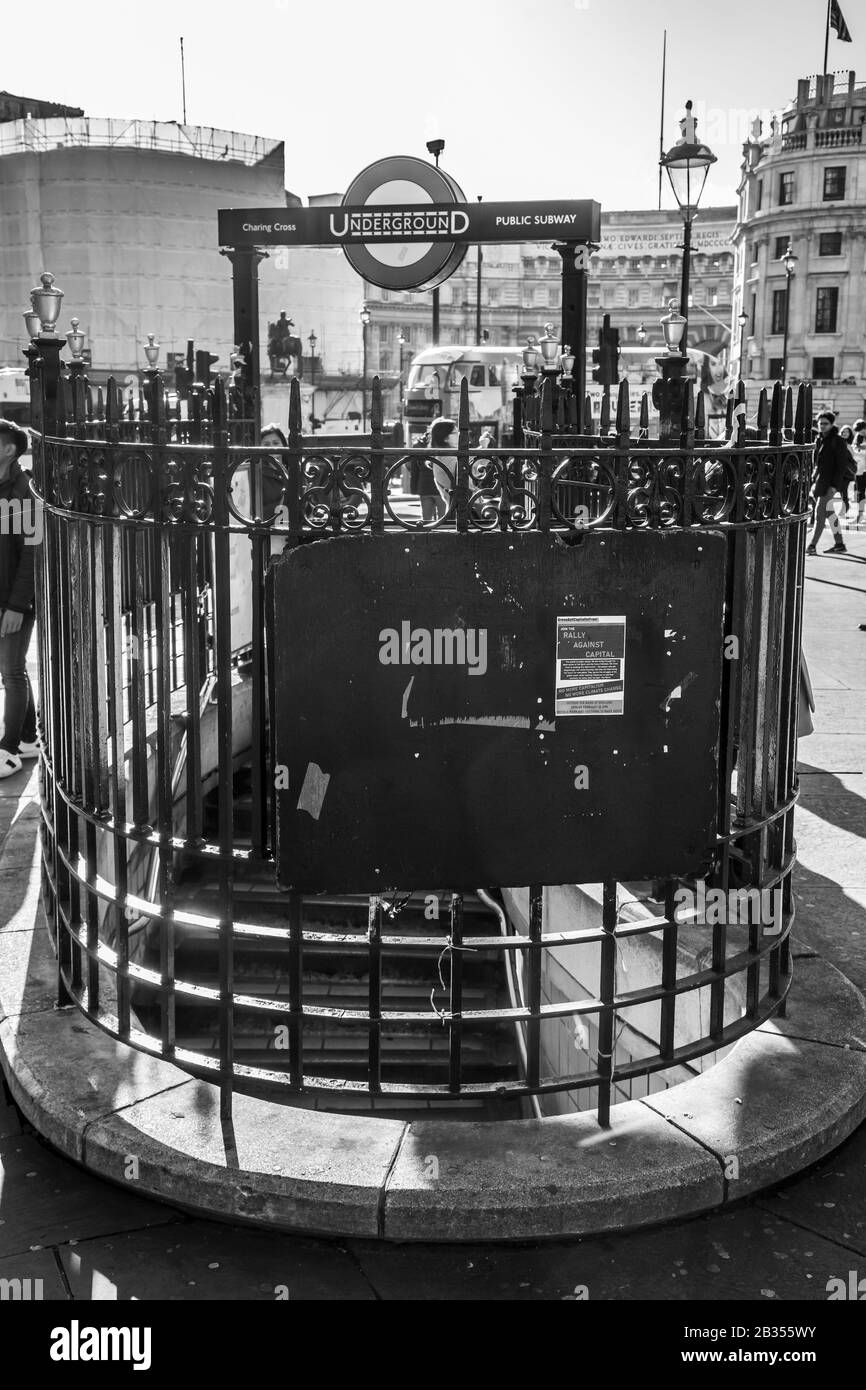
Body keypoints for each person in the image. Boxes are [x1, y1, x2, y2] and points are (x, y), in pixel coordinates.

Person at [0, 419, 38, 779]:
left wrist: (17, 606)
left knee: (11, 672)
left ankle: (7, 750)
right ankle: (28, 737)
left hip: (14, 600)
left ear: (9, 449)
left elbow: (31, 553)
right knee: (10, 669)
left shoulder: (23, 491)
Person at [806, 411, 848, 555]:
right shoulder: (819, 439)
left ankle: (812, 546)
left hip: (829, 485)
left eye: (826, 423)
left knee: (819, 514)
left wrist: (834, 486)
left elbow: (841, 466)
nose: (822, 426)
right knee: (830, 514)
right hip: (820, 483)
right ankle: (839, 544)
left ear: (831, 424)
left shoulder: (837, 440)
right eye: (820, 423)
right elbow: (817, 463)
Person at [838, 425, 858, 524]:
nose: (844, 433)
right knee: (841, 490)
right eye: (843, 432)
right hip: (839, 471)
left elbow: (852, 458)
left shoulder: (849, 445)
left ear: (850, 434)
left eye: (847, 432)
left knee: (843, 489)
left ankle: (845, 507)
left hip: (847, 472)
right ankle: (845, 506)